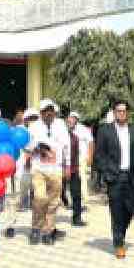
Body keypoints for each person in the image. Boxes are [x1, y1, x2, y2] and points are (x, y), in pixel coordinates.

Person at [94, 99, 134, 259]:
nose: (121, 113)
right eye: (118, 111)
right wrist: (106, 172)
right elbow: (99, 155)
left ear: (127, 113)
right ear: (114, 113)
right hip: (114, 176)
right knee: (116, 210)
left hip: (132, 176)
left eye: (124, 111)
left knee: (130, 209)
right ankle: (119, 243)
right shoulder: (105, 130)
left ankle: (121, 232)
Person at [27, 99, 70, 245]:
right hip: (38, 168)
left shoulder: (61, 125)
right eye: (46, 110)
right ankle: (35, 228)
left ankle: (48, 231)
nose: (49, 113)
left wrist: (68, 166)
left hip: (56, 169)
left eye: (51, 110)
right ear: (41, 113)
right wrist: (37, 148)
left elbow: (66, 147)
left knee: (53, 202)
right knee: (39, 198)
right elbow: (26, 145)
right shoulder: (33, 127)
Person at [63, 111, 91, 227]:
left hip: (74, 167)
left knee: (76, 192)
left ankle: (77, 218)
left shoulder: (76, 137)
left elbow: (79, 151)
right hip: (62, 168)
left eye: (72, 120)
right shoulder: (61, 134)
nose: (70, 122)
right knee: (59, 191)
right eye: (68, 120)